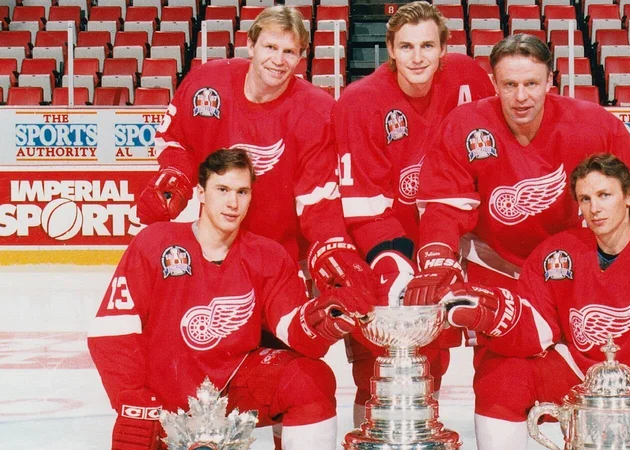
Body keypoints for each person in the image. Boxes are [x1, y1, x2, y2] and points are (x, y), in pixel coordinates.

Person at [438, 153, 630, 449]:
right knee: (501, 376)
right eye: (585, 199)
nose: (594, 208)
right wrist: (494, 313)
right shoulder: (558, 254)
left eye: (604, 195)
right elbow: (537, 327)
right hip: (582, 377)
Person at [88, 149, 374, 450]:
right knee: (134, 427)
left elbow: (293, 329)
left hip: (233, 387)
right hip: (164, 400)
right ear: (201, 193)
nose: (232, 203)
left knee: (309, 380)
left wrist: (325, 317)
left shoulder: (268, 256)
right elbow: (113, 332)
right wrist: (133, 398)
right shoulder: (155, 243)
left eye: (242, 192)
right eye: (222, 190)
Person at [405, 32, 630, 306]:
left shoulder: (594, 125)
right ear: (494, 84)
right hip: (492, 266)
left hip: (567, 264)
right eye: (510, 85)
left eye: (531, 84)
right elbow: (444, 206)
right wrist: (438, 255)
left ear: (549, 81)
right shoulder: (464, 125)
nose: (521, 97)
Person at [331, 1, 496, 424]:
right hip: (381, 248)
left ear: (444, 48)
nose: (417, 57)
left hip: (447, 245)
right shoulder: (359, 102)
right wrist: (397, 267)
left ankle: (421, 436)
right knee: (376, 367)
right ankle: (373, 439)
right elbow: (363, 204)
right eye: (406, 46)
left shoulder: (468, 79)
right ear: (389, 49)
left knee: (433, 361)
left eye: (427, 45)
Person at [136, 6, 373, 298]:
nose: (278, 60)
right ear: (250, 45)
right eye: (270, 47)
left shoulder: (316, 110)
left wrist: (330, 247)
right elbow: (176, 139)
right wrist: (176, 176)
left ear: (301, 57)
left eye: (289, 52)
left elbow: (318, 197)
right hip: (216, 252)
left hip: (284, 260)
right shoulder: (207, 83)